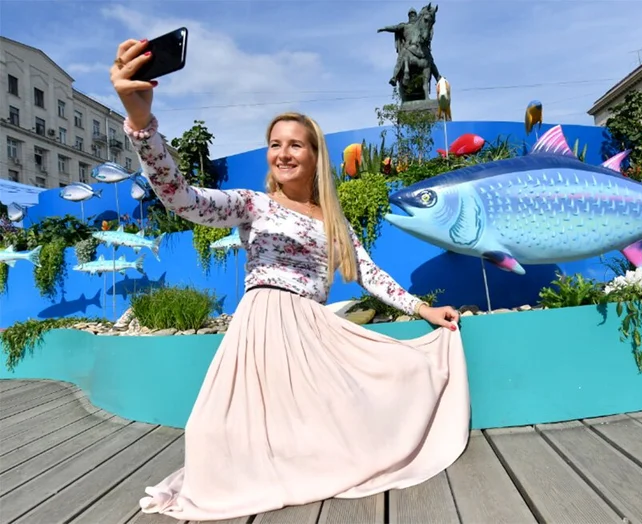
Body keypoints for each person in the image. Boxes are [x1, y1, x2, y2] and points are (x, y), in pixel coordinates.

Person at [110, 38, 470, 521]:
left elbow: (369, 274)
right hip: (259, 330)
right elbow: (181, 199)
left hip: (313, 334)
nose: (282, 153)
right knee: (209, 436)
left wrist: (423, 308)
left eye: (295, 144)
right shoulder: (253, 204)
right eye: (275, 144)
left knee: (366, 402)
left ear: (315, 155)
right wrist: (141, 124)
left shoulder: (333, 220)